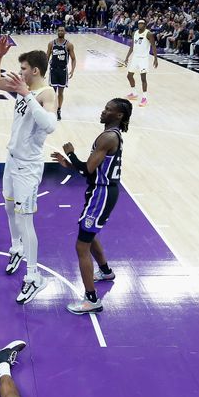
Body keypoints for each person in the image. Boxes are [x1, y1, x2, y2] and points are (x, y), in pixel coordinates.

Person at [0, 36, 57, 304]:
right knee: (8, 208)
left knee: (25, 219)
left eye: (24, 68)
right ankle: (16, 248)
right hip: (12, 159)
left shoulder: (46, 93)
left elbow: (50, 125)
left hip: (28, 167)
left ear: (35, 71)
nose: (20, 73)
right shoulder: (22, 89)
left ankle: (34, 276)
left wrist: (27, 95)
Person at [51, 99, 132, 313]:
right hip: (102, 191)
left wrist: (71, 154)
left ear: (119, 115)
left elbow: (87, 169)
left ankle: (92, 299)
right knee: (90, 233)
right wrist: (68, 164)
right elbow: (92, 170)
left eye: (108, 109)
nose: (103, 111)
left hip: (101, 194)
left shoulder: (107, 137)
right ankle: (105, 271)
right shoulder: (112, 135)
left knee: (81, 246)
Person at [124, 19, 158, 107]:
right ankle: (134, 93)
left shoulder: (148, 34)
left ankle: (144, 98)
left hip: (144, 58)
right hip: (135, 57)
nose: (140, 25)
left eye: (142, 24)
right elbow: (132, 46)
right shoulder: (134, 33)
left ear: (145, 25)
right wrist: (127, 57)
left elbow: (153, 46)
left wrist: (155, 58)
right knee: (129, 75)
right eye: (139, 24)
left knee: (143, 78)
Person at [46, 26, 77, 120]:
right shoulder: (51, 44)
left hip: (63, 71)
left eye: (62, 30)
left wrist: (72, 70)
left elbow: (73, 59)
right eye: (59, 30)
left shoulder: (69, 45)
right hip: (53, 70)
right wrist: (43, 70)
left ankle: (59, 110)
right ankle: (51, 110)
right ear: (57, 32)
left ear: (65, 32)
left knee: (61, 92)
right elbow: (46, 57)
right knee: (52, 92)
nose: (60, 32)